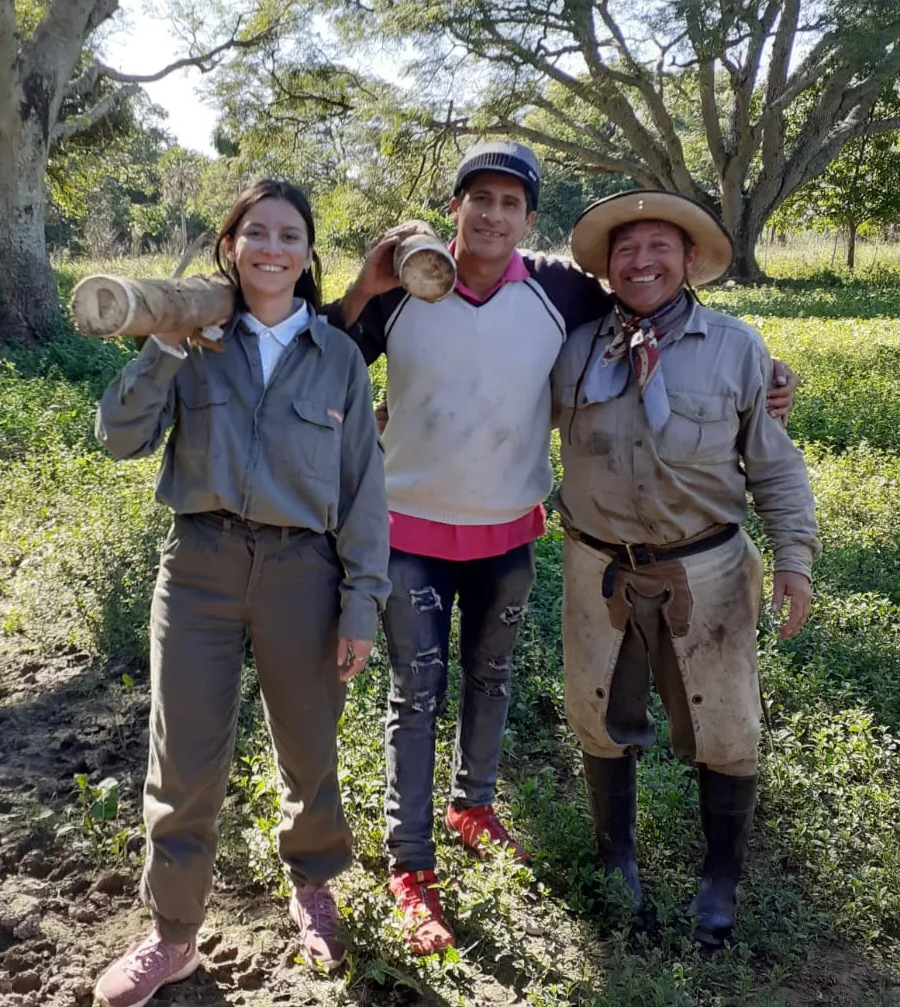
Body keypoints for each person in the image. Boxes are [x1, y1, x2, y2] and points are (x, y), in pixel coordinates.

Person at [326, 142, 798, 954]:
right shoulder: (459, 299)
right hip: (467, 544)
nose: (492, 215)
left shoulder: (590, 303)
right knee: (443, 698)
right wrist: (365, 289)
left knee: (509, 680)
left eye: (510, 203)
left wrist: (772, 384)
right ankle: (426, 867)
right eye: (479, 199)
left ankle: (490, 808)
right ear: (455, 208)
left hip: (559, 543)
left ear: (528, 219)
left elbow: (749, 427)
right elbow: (332, 362)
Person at [91, 179, 391, 1006]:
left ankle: (313, 886)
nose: (271, 247)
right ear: (230, 246)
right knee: (183, 757)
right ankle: (172, 934)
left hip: (305, 574)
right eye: (254, 231)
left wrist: (361, 601)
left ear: (307, 253)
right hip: (200, 567)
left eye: (288, 234)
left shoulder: (336, 356)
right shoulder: (194, 341)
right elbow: (117, 437)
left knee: (309, 747)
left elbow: (364, 488)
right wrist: (167, 343)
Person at [552, 189, 819, 947]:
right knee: (599, 718)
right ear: (606, 266)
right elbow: (497, 415)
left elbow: (774, 468)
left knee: (726, 724)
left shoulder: (739, 349)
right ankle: (616, 861)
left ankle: (721, 878)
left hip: (707, 572)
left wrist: (793, 561)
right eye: (625, 249)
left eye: (657, 247)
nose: (641, 262)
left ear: (689, 259)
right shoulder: (572, 349)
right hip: (595, 569)